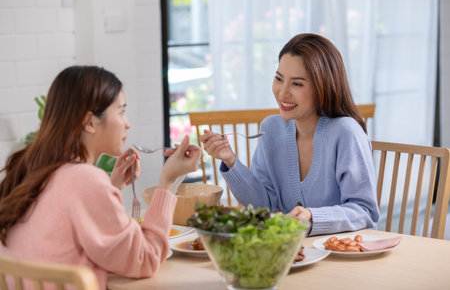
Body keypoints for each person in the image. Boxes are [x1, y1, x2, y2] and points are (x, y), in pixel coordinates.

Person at [0, 66, 201, 289]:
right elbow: (146, 258)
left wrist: (110, 185)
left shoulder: (29, 167)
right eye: (122, 111)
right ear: (89, 122)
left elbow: (64, 218)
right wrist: (167, 182)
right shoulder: (84, 181)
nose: (128, 123)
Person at [200, 33, 379, 236]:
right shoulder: (271, 129)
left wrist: (312, 218)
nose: (282, 92)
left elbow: (365, 212)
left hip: (343, 255)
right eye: (279, 79)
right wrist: (230, 160)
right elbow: (263, 206)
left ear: (323, 86)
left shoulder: (346, 132)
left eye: (297, 84)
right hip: (294, 253)